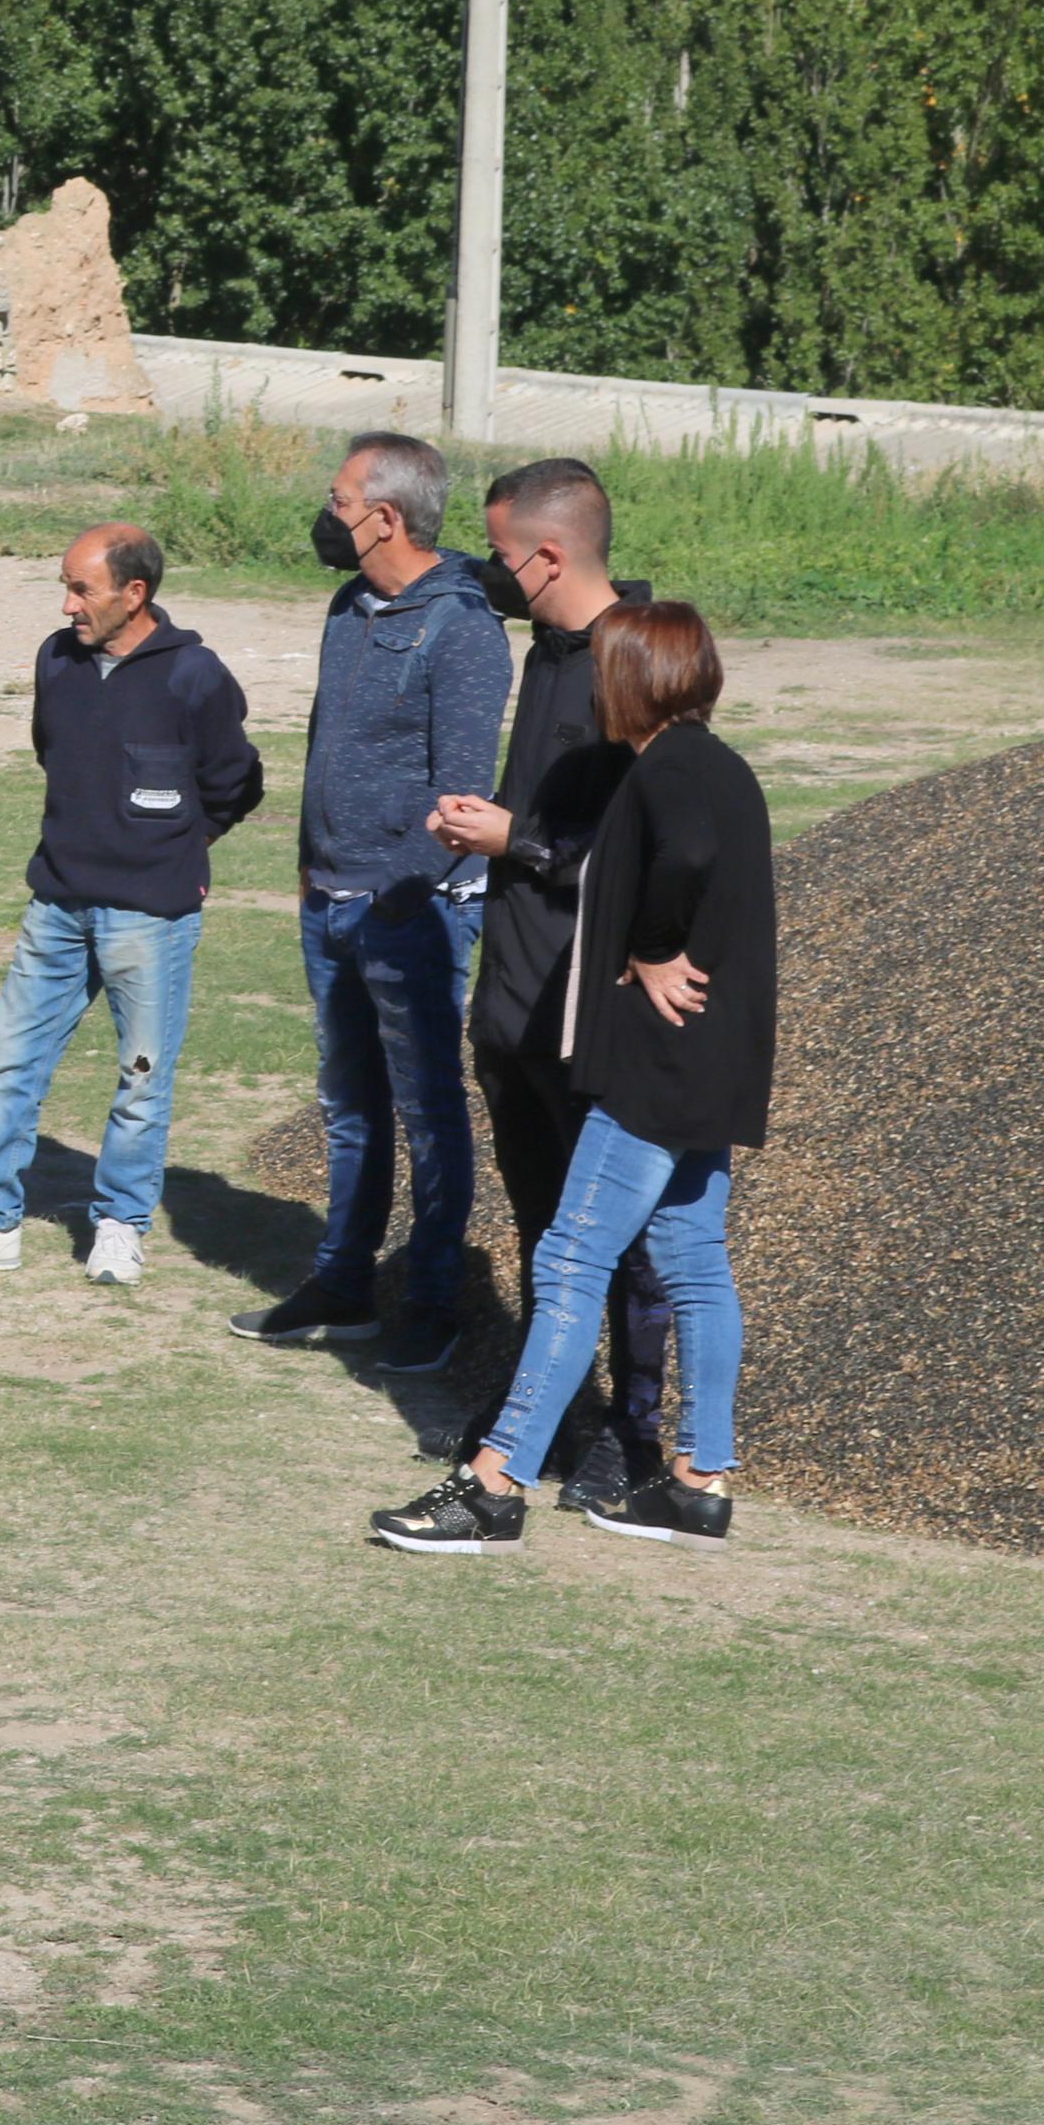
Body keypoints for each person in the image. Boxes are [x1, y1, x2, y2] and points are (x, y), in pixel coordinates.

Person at [377, 601, 773, 1553]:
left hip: (653, 1067)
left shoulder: (665, 771)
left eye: (604, 671)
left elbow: (683, 856)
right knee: (691, 1262)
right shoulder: (720, 766)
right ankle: (697, 1482)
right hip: (709, 1067)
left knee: (566, 1260)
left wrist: (645, 948)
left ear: (635, 677)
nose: (594, 687)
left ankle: (492, 1485)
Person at [0, 524, 261, 1285]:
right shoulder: (56, 660)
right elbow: (51, 750)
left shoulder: (194, 675)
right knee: (9, 1065)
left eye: (81, 590)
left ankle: (120, 1222)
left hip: (149, 917)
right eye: (64, 586)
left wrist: (169, 848)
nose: (67, 605)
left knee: (140, 1075)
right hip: (57, 905)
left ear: (135, 595)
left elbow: (234, 782)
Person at [230, 432, 511, 1371]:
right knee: (348, 1105)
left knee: (428, 1107)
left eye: (340, 500)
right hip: (331, 896)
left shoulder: (463, 629)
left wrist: (407, 891)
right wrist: (312, 860)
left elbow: (462, 790)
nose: (328, 513)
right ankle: (343, 1281)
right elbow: (324, 740)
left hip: (409, 910)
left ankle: (430, 1298)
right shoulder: (346, 606)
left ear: (386, 516)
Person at [425, 459, 669, 1512]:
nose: (491, 574)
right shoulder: (547, 649)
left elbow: (641, 852)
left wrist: (508, 835)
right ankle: (550, 1408)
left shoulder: (635, 666)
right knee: (536, 1225)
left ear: (551, 554)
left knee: (612, 1240)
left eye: (500, 555)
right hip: (511, 1002)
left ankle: (632, 1435)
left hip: (588, 1010)